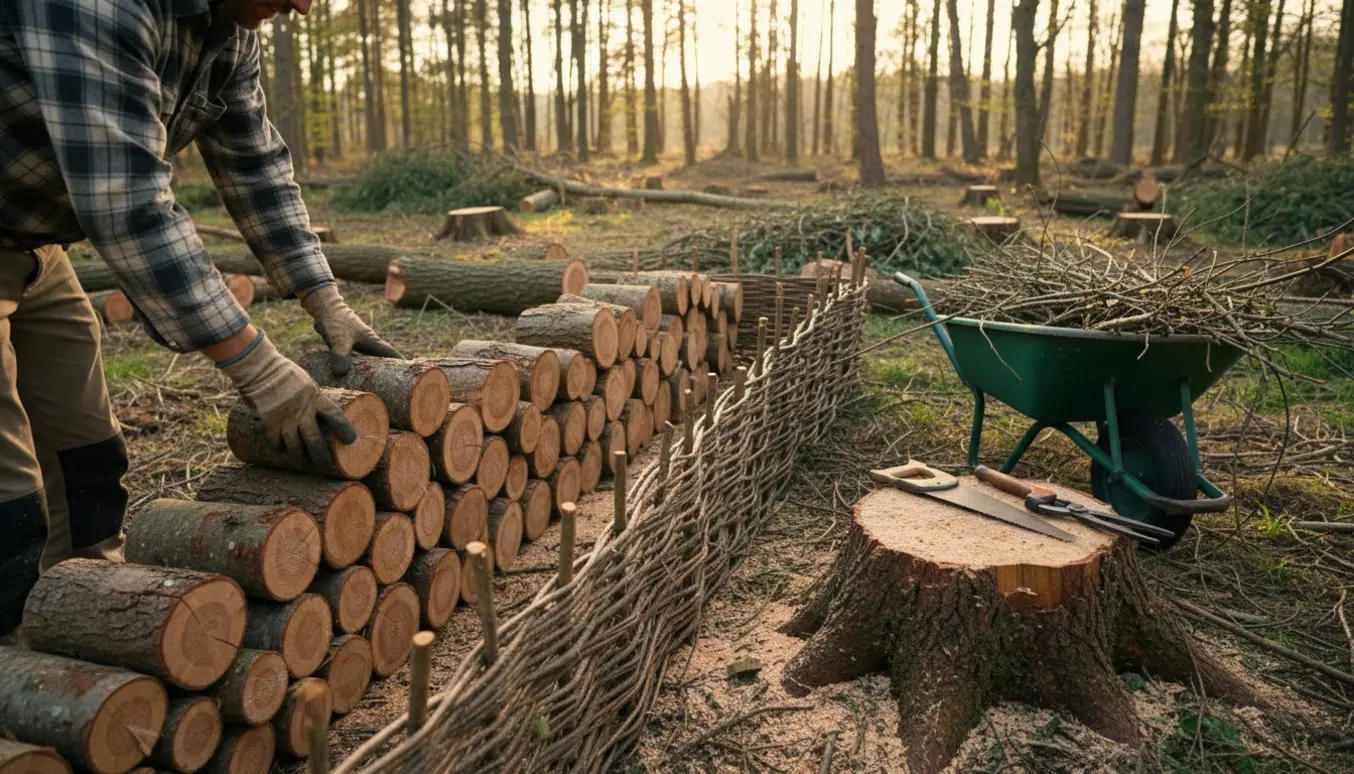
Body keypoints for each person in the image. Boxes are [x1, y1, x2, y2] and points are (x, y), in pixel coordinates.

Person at [0, 0, 398, 638]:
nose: (302, 7)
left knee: (86, 456)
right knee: (9, 497)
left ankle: (78, 628)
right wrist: (260, 370)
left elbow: (254, 165)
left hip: (34, 244)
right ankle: (13, 667)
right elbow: (128, 202)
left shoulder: (231, 28)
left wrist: (323, 296)